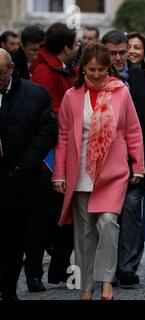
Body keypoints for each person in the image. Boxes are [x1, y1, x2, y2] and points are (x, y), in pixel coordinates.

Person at [53, 43, 145, 300]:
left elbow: (133, 131)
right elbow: (62, 137)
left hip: (113, 173)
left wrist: (138, 165)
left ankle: (106, 281)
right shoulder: (71, 96)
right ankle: (85, 286)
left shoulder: (121, 93)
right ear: (83, 69)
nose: (96, 74)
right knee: (84, 233)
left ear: (109, 69)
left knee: (107, 225)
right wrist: (59, 173)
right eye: (91, 69)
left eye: (101, 70)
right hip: (80, 172)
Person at [102, 30, 145, 286]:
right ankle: (108, 266)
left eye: (122, 52)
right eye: (112, 53)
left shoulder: (141, 78)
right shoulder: (96, 76)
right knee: (107, 215)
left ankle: (126, 267)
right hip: (104, 159)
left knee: (132, 211)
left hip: (135, 157)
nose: (118, 57)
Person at [0, 48, 58, 300]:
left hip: (20, 181)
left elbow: (47, 130)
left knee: (12, 242)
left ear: (11, 69)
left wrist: (24, 164)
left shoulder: (36, 95)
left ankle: (9, 290)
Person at [29, 22, 79, 290]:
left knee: (67, 215)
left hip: (67, 151)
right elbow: (52, 112)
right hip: (48, 156)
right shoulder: (43, 71)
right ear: (67, 47)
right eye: (76, 43)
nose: (78, 47)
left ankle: (58, 268)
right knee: (43, 217)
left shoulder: (64, 69)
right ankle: (34, 272)